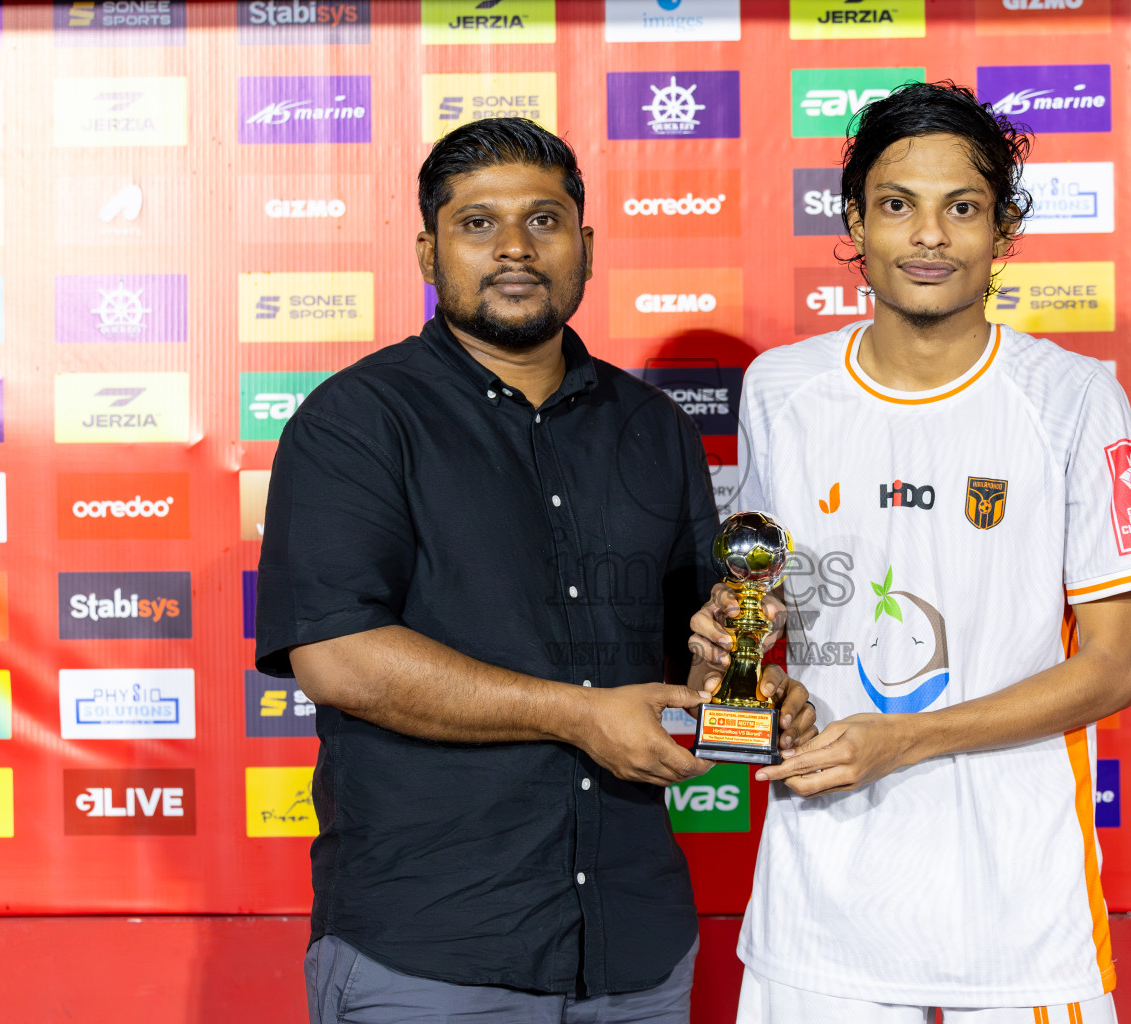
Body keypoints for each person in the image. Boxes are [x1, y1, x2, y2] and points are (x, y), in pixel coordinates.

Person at [254, 116, 813, 1024]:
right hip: (433, 953)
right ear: (429, 253)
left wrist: (743, 694)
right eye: (478, 223)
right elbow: (337, 658)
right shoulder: (357, 422)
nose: (515, 247)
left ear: (585, 246)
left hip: (633, 951)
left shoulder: (654, 429)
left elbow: (693, 662)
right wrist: (577, 713)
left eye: (544, 221)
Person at [689, 82, 1131, 1023]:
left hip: (1017, 912)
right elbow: (767, 603)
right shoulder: (781, 389)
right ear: (856, 224)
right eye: (898, 204)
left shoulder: (1072, 398)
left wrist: (902, 737)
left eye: (963, 207)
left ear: (1005, 228)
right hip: (820, 898)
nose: (930, 236)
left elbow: (1112, 671)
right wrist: (732, 654)